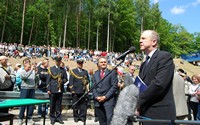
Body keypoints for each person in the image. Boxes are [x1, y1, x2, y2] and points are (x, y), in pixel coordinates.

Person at [135, 30, 176, 125]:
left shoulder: (164, 57)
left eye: (143, 38)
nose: (140, 41)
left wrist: (138, 102)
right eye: (140, 38)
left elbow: (159, 84)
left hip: (160, 113)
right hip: (146, 112)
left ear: (154, 42)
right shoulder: (144, 63)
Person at [92, 57, 118, 125]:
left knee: (109, 120)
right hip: (98, 101)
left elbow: (114, 86)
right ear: (98, 64)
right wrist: (97, 97)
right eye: (101, 62)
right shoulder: (95, 74)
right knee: (102, 121)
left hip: (108, 100)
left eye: (105, 62)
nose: (103, 63)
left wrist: (105, 97)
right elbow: (93, 87)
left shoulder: (112, 73)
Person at [47, 56, 68, 125]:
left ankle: (59, 117)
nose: (58, 62)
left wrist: (62, 81)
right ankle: (52, 118)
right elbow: (48, 80)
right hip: (53, 89)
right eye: (57, 61)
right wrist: (49, 89)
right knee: (52, 104)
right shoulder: (51, 69)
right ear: (55, 61)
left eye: (59, 61)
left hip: (60, 89)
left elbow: (66, 79)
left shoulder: (63, 70)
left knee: (59, 104)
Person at [68, 59, 89, 123]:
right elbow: (71, 81)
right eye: (79, 64)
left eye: (81, 64)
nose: (80, 65)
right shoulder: (73, 71)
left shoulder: (85, 71)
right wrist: (72, 90)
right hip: (75, 90)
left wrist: (86, 82)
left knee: (83, 105)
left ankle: (82, 116)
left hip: (82, 90)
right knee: (75, 105)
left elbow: (88, 80)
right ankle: (76, 117)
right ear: (77, 64)